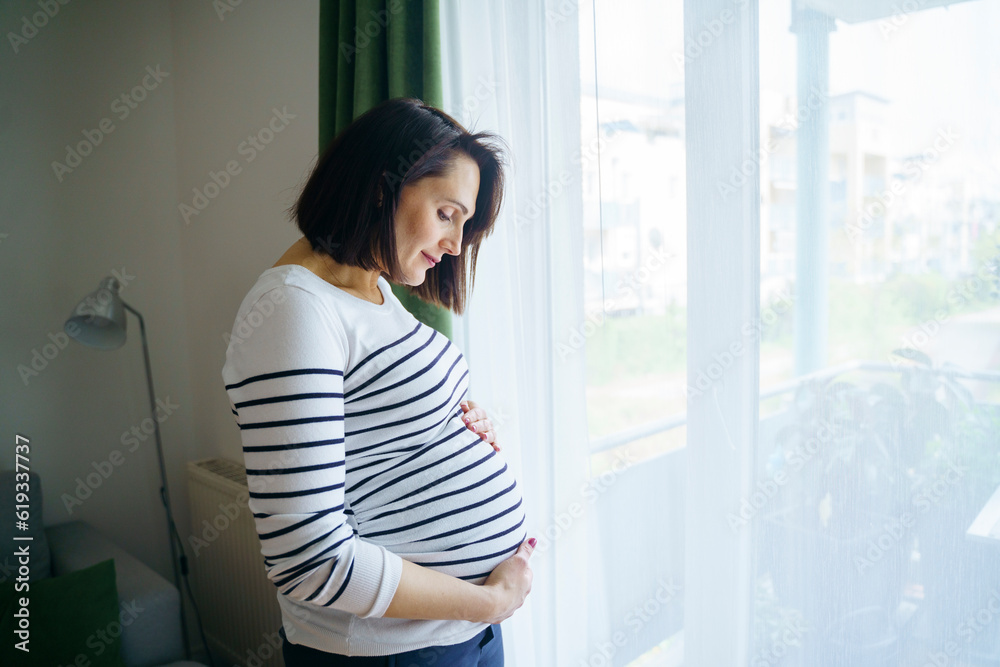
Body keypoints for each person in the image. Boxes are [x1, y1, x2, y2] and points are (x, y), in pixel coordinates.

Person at [221, 97, 536, 666]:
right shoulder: (293, 308)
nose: (455, 245)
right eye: (447, 214)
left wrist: (453, 424)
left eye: (465, 224)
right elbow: (310, 559)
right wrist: (485, 603)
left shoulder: (371, 288)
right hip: (390, 653)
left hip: (452, 637)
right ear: (381, 187)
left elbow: (379, 435)